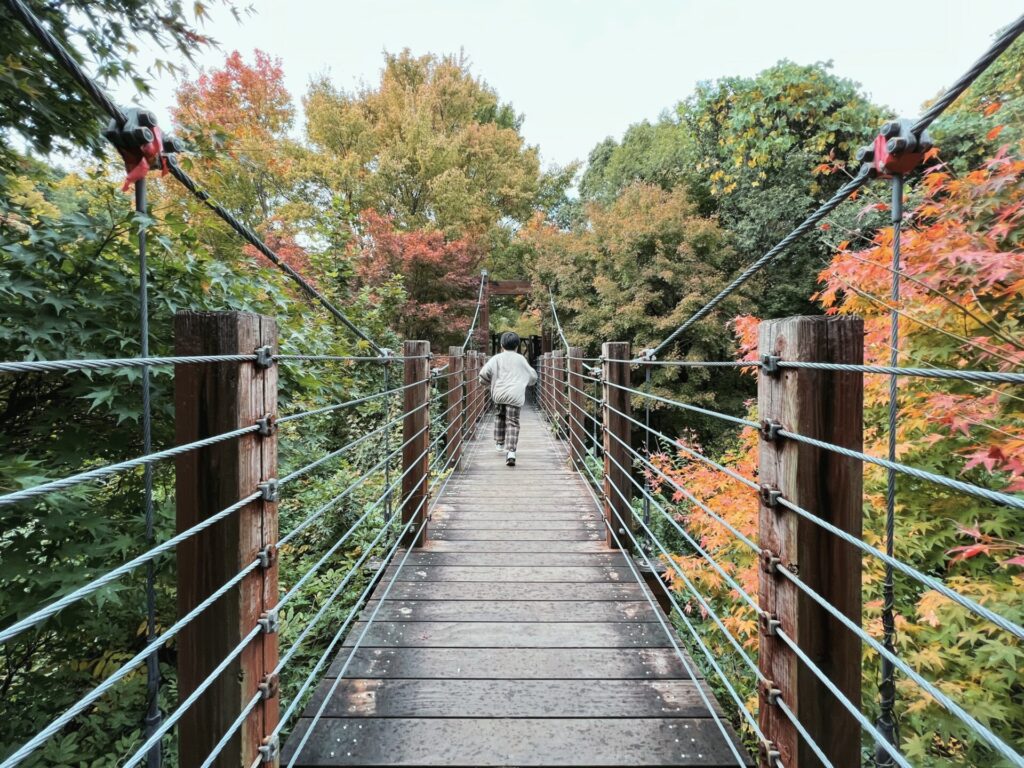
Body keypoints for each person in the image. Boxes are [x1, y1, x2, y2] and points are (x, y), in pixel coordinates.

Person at [478, 331, 538, 466]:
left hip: (498, 394)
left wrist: (489, 383)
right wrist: (526, 383)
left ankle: (499, 443)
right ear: (517, 346)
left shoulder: (496, 358)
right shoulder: (521, 359)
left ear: (501, 345)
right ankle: (511, 452)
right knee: (513, 422)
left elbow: (483, 374)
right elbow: (533, 376)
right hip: (515, 396)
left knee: (499, 416)